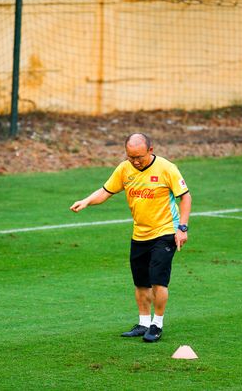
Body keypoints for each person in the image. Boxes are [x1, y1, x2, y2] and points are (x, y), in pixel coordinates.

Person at [70, 133, 191, 343]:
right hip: (139, 234)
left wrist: (182, 228)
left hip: (165, 232)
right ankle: (143, 323)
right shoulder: (124, 169)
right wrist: (87, 201)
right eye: (130, 157)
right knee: (141, 283)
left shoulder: (167, 168)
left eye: (139, 157)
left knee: (158, 282)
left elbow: (185, 196)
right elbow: (106, 191)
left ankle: (157, 324)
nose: (135, 161)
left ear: (150, 150)